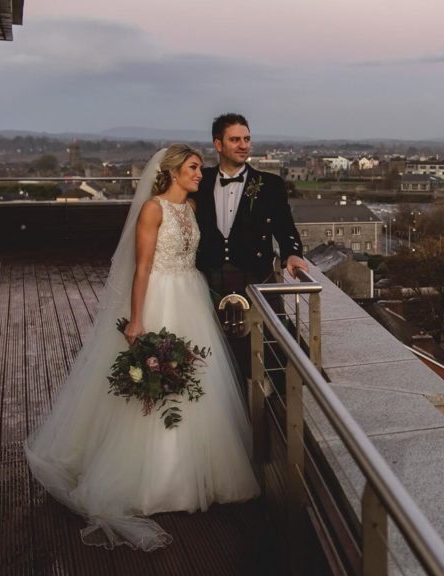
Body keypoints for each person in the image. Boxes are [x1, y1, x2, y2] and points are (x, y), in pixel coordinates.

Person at [24, 145, 260, 551]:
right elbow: (143, 267)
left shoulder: (190, 208)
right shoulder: (153, 209)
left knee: (198, 383)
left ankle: (197, 476)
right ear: (171, 172)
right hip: (160, 299)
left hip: (192, 296)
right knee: (160, 386)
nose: (199, 175)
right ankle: (157, 481)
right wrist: (136, 320)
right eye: (192, 169)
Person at [193, 113, 307, 376]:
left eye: (246, 139)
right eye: (235, 140)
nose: (244, 145)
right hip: (210, 275)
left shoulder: (270, 185)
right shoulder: (201, 180)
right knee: (212, 351)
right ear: (218, 144)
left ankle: (267, 405)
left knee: (267, 350)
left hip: (256, 274)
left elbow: (285, 227)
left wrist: (292, 254)